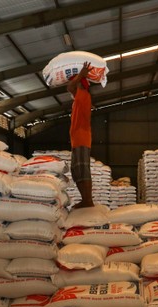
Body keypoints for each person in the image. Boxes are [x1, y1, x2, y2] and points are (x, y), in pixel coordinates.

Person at [67, 61, 94, 209]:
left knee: (83, 170)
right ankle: (85, 199)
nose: (72, 88)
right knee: (77, 171)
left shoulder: (83, 95)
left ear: (81, 85)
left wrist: (80, 76)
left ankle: (88, 200)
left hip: (82, 138)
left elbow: (70, 87)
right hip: (78, 139)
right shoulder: (80, 99)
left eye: (76, 83)